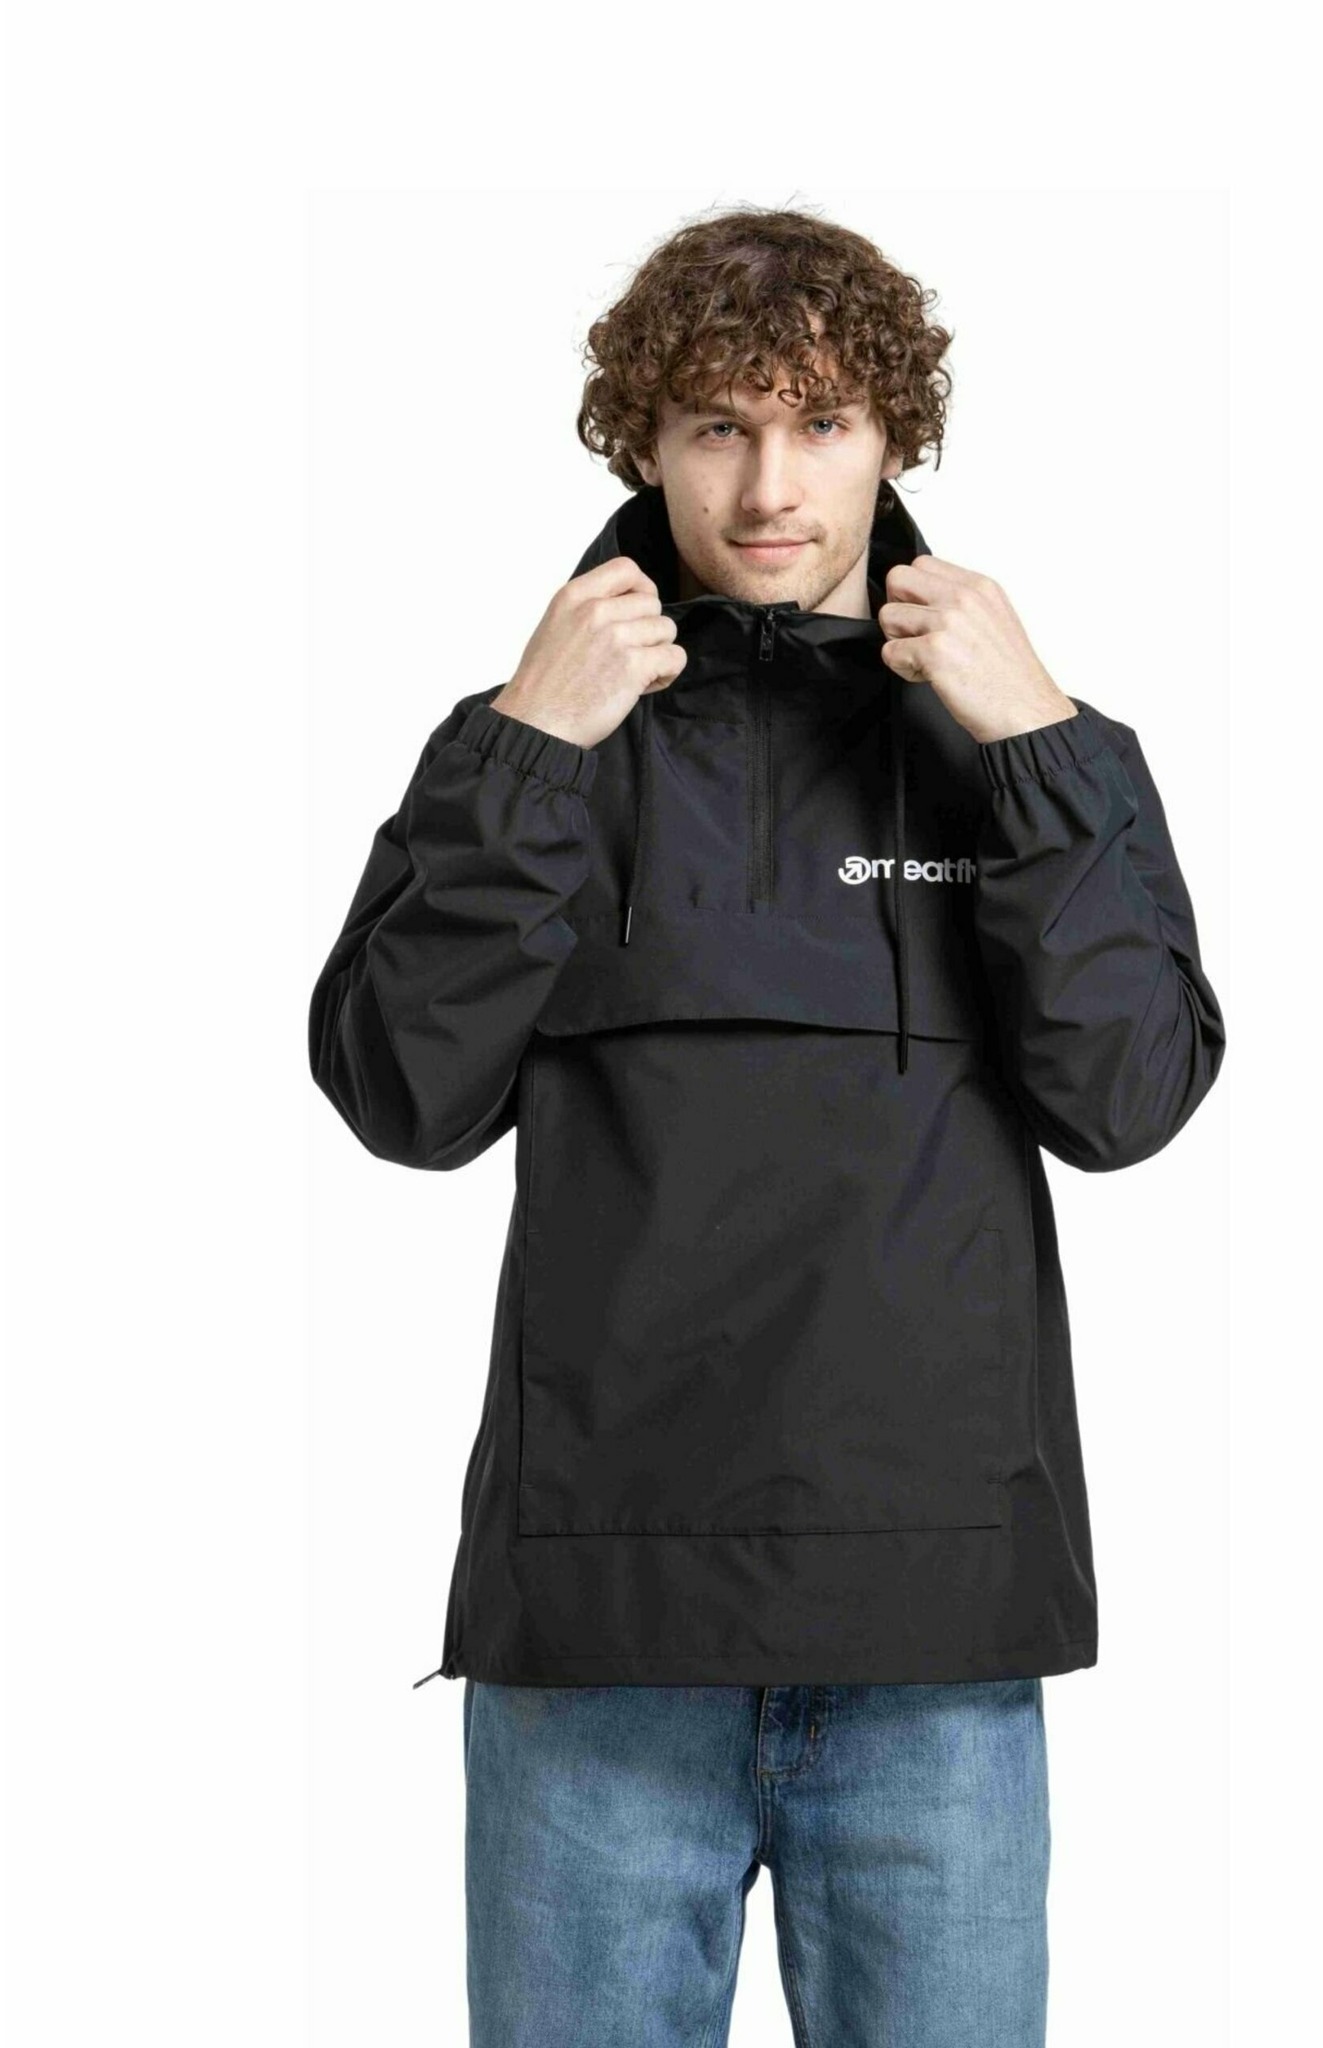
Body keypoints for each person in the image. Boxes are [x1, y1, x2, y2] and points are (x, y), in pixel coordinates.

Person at [308, 205, 1225, 2047]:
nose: (770, 485)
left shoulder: (1031, 744)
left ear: (896, 439)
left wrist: (1036, 745)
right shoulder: (529, 741)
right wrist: (530, 753)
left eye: (821, 422)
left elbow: (1127, 1100)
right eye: (718, 426)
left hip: (934, 1640)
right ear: (644, 445)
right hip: (598, 1641)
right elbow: (403, 1095)